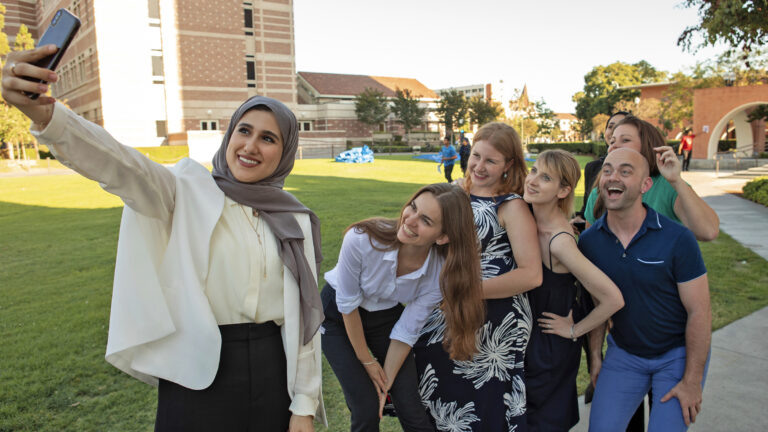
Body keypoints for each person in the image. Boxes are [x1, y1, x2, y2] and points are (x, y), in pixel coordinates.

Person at [2, 46, 325, 431]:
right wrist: (46, 116)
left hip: (275, 372)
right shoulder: (186, 190)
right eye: (244, 130)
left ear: (285, 151)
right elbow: (122, 165)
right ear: (230, 134)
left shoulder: (294, 219)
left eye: (268, 138)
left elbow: (304, 318)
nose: (251, 146)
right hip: (200, 372)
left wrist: (303, 405)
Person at [321, 183, 485, 432]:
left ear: (443, 237)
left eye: (426, 220)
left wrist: (385, 382)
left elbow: (408, 329)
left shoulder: (439, 272)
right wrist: (367, 362)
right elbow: (348, 306)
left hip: (384, 318)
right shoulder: (361, 238)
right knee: (366, 408)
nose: (410, 220)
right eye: (413, 207)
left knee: (410, 408)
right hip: (337, 316)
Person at [414, 122, 542, 431]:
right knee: (439, 394)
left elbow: (532, 274)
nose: (479, 166)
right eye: (476, 156)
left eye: (491, 160)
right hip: (446, 307)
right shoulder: (454, 193)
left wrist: (470, 290)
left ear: (509, 165)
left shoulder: (510, 206)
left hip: (494, 317)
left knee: (484, 406)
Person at [581, 148, 711, 431]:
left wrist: (692, 380)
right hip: (625, 354)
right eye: (607, 170)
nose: (613, 177)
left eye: (625, 171)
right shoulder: (590, 242)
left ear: (645, 185)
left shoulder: (678, 238)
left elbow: (699, 311)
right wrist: (595, 356)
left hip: (676, 355)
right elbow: (598, 307)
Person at [522, 149, 625, 431]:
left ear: (563, 190)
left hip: (548, 347)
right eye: (533, 171)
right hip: (527, 342)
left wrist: (574, 331)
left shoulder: (560, 241)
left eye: (545, 177)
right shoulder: (527, 217)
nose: (532, 181)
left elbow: (611, 298)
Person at [583, 116, 719, 242]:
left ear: (647, 145)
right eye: (612, 141)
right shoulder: (599, 193)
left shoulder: (668, 187)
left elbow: (707, 232)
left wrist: (676, 180)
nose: (614, 146)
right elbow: (590, 249)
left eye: (625, 140)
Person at [572, 111, 629, 233]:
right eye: (611, 126)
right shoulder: (592, 168)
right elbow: (588, 205)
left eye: (621, 126)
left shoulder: (643, 172)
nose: (615, 130)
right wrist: (579, 218)